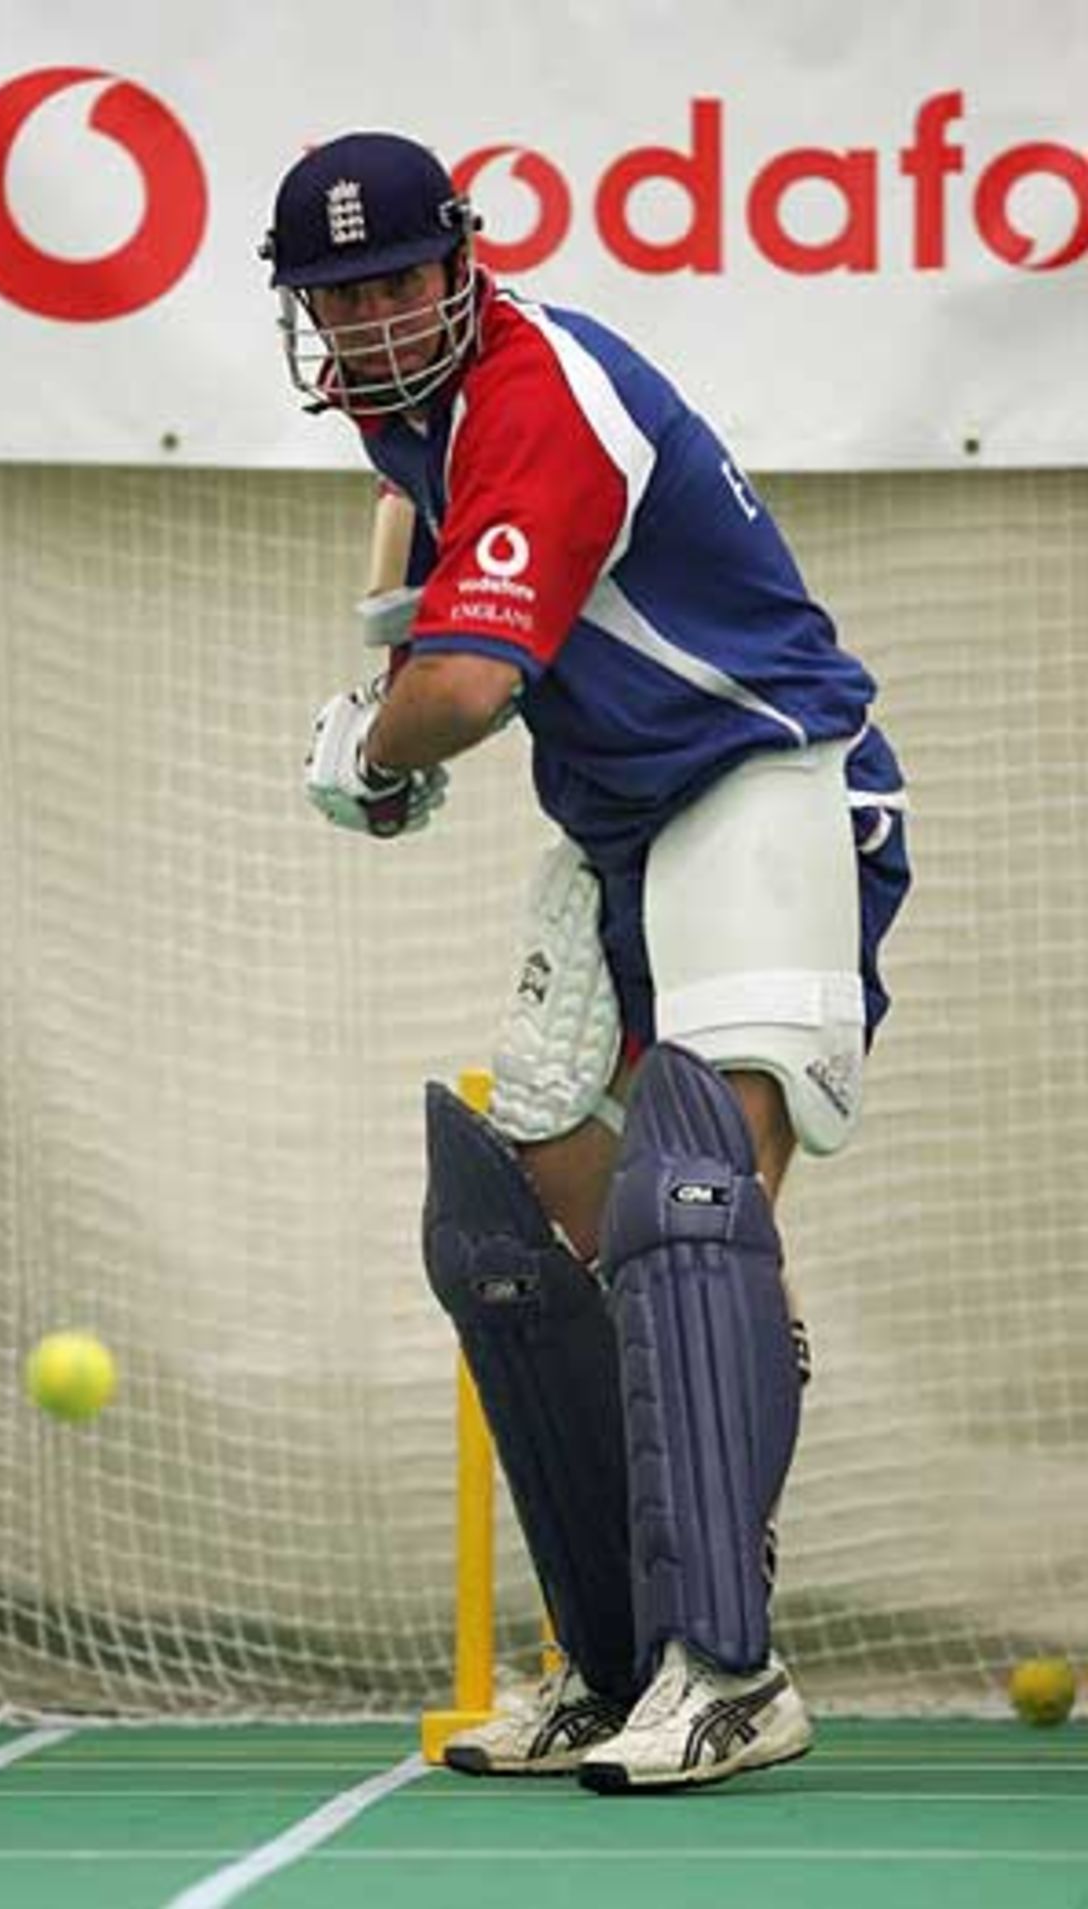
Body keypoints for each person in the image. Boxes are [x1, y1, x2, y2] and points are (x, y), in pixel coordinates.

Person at [261, 130, 910, 1791]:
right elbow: (424, 567)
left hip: (767, 777)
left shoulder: (537, 399)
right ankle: (618, 1653)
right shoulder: (416, 411)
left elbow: (467, 694)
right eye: (341, 299)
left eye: (400, 280)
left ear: (461, 258)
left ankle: (730, 1663)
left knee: (686, 1201)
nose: (379, 320)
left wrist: (379, 750)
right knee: (534, 1198)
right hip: (623, 823)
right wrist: (395, 686)